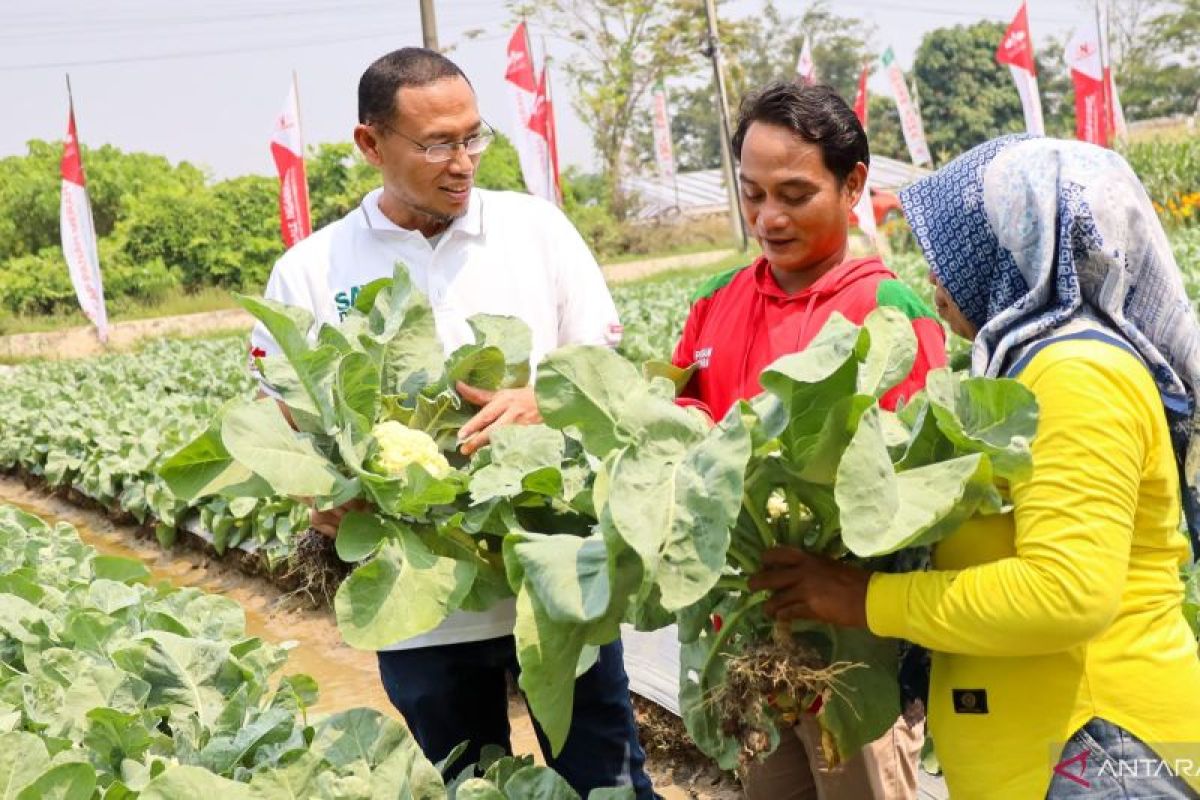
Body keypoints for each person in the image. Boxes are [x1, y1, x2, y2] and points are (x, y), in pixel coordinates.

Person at [249, 47, 655, 799]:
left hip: (557, 580)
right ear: (370, 144)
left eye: (473, 138)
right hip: (418, 607)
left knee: (608, 781)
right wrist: (321, 493)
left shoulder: (539, 231)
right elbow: (286, 433)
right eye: (437, 143)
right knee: (470, 786)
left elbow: (612, 379)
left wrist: (544, 403)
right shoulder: (310, 271)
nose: (462, 162)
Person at [749, 134, 1200, 799]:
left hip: (1097, 753)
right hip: (1055, 756)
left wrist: (863, 600)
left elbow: (1066, 592)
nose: (931, 274)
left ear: (1010, 249)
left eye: (948, 248)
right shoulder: (1029, 364)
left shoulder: (1076, 373)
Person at [671, 81, 946, 800]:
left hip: (854, 648)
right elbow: (671, 440)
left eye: (794, 194)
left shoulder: (885, 310)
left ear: (853, 184)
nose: (768, 217)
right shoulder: (714, 303)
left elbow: (912, 488)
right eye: (752, 193)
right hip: (746, 641)